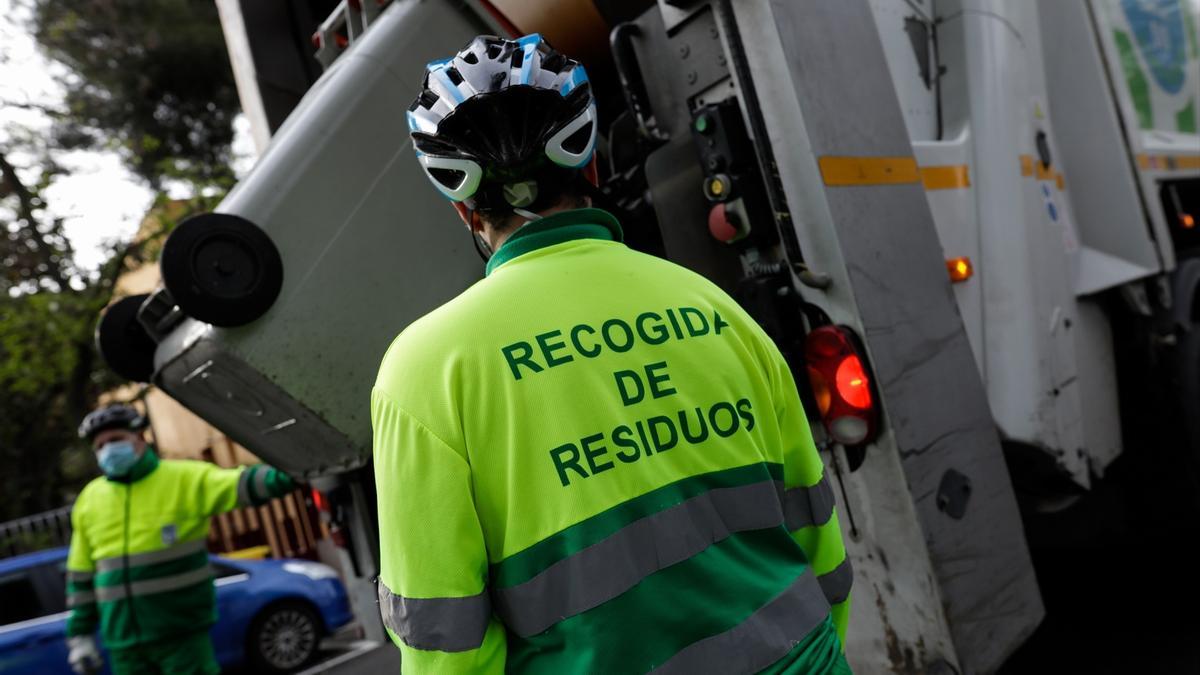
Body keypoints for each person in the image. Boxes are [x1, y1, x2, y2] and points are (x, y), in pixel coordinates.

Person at [372, 34, 853, 673]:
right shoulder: (712, 307)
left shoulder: (424, 371)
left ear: (464, 209)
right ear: (592, 166)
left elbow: (444, 643)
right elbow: (815, 530)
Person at [65, 403, 298, 675]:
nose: (107, 451)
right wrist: (79, 636)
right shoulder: (91, 499)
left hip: (181, 635)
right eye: (100, 446)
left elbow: (244, 484)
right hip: (123, 644)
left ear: (140, 438)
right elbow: (80, 575)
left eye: (115, 440)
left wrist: (297, 470)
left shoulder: (183, 478)